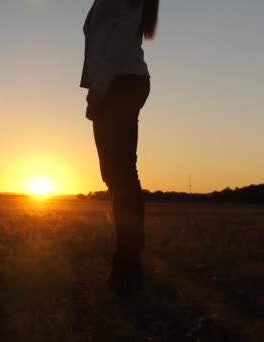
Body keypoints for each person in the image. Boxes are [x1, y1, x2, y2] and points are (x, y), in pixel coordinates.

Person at [81, 0, 159, 296]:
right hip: (117, 82)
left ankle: (127, 265)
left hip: (120, 83)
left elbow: (121, 36)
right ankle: (128, 261)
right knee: (115, 174)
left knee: (121, 173)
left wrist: (99, 88)